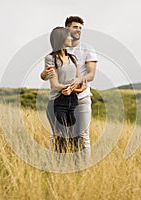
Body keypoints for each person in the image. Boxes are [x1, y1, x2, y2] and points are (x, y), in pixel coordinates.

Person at [41, 16, 98, 160]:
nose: (78, 30)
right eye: (75, 27)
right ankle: (56, 165)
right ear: (66, 30)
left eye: (80, 27)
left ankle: (81, 167)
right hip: (59, 100)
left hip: (77, 99)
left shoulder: (76, 56)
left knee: (80, 136)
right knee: (59, 136)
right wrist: (45, 75)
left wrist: (76, 87)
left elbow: (89, 76)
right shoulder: (51, 57)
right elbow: (52, 80)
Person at [44, 27, 86, 153]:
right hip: (57, 102)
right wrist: (70, 87)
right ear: (61, 39)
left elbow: (79, 79)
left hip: (73, 101)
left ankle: (75, 168)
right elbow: (55, 85)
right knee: (61, 139)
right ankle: (58, 167)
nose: (71, 38)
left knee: (76, 138)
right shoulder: (50, 59)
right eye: (68, 36)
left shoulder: (73, 58)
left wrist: (74, 88)